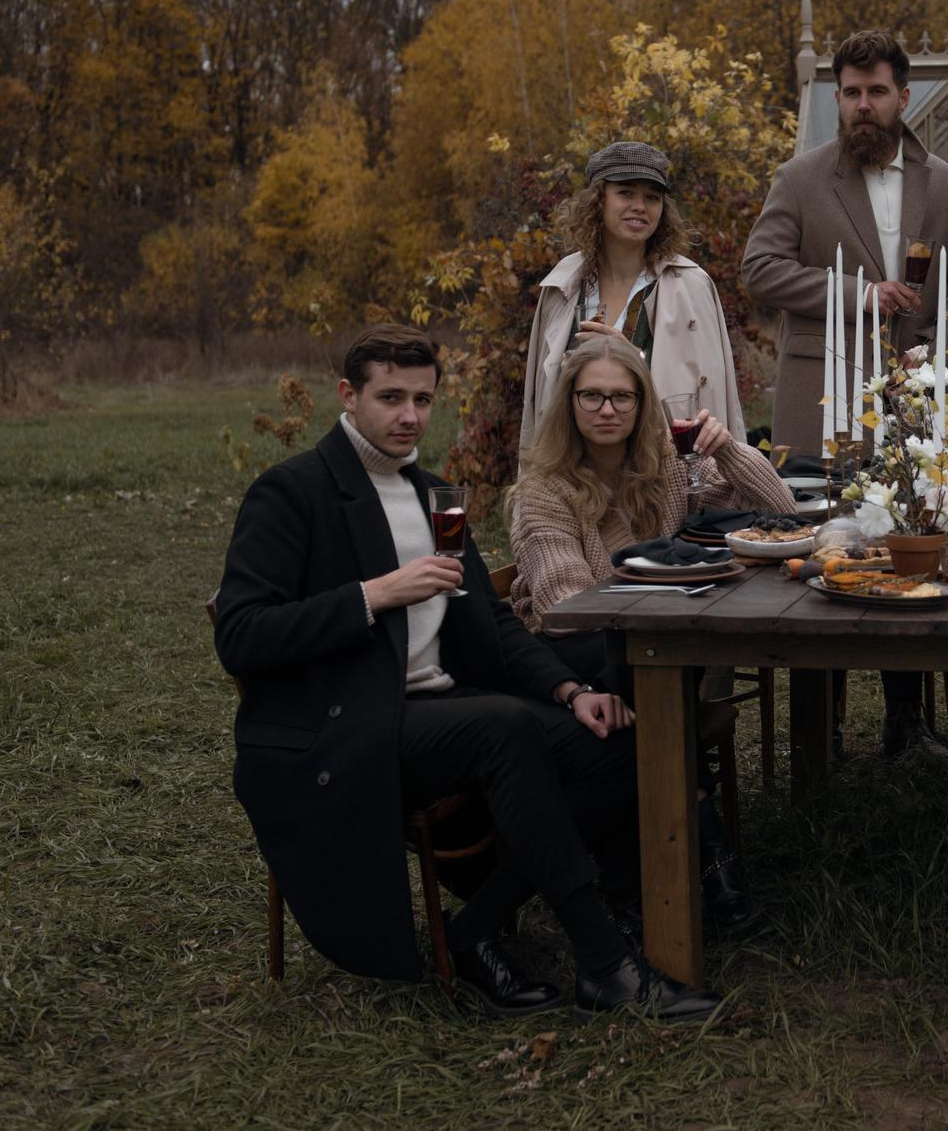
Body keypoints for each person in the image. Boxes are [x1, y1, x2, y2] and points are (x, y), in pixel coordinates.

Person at [214, 324, 719, 1022]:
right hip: (348, 724)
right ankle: (604, 964)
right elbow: (240, 635)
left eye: (422, 399)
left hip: (447, 710)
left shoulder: (434, 496)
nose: (409, 416)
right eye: (390, 397)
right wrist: (375, 594)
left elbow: (492, 622)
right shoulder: (293, 492)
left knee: (619, 742)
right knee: (501, 727)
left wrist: (570, 691)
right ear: (348, 396)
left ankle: (474, 927)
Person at [508, 336, 795, 926]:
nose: (607, 410)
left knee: (653, 671)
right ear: (569, 405)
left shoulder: (666, 468)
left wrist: (730, 452)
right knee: (648, 672)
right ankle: (704, 858)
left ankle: (644, 890)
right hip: (569, 656)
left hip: (643, 649)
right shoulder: (545, 489)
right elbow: (568, 607)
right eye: (592, 397)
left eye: (622, 397)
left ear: (642, 406)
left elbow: (783, 512)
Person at [741, 27, 948, 758]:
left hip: (911, 402)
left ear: (905, 97)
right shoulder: (801, 178)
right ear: (836, 99)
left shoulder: (947, 184)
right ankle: (823, 729)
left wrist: (942, 370)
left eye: (877, 92)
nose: (863, 105)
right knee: (827, 548)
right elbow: (761, 270)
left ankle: (907, 723)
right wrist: (857, 294)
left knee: (909, 544)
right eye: (851, 93)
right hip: (821, 396)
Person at [521, 140, 745, 460]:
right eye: (626, 192)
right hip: (574, 470)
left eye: (652, 197)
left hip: (660, 471)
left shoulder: (692, 286)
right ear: (599, 200)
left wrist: (632, 356)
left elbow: (712, 404)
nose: (640, 206)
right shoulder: (562, 285)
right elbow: (539, 404)